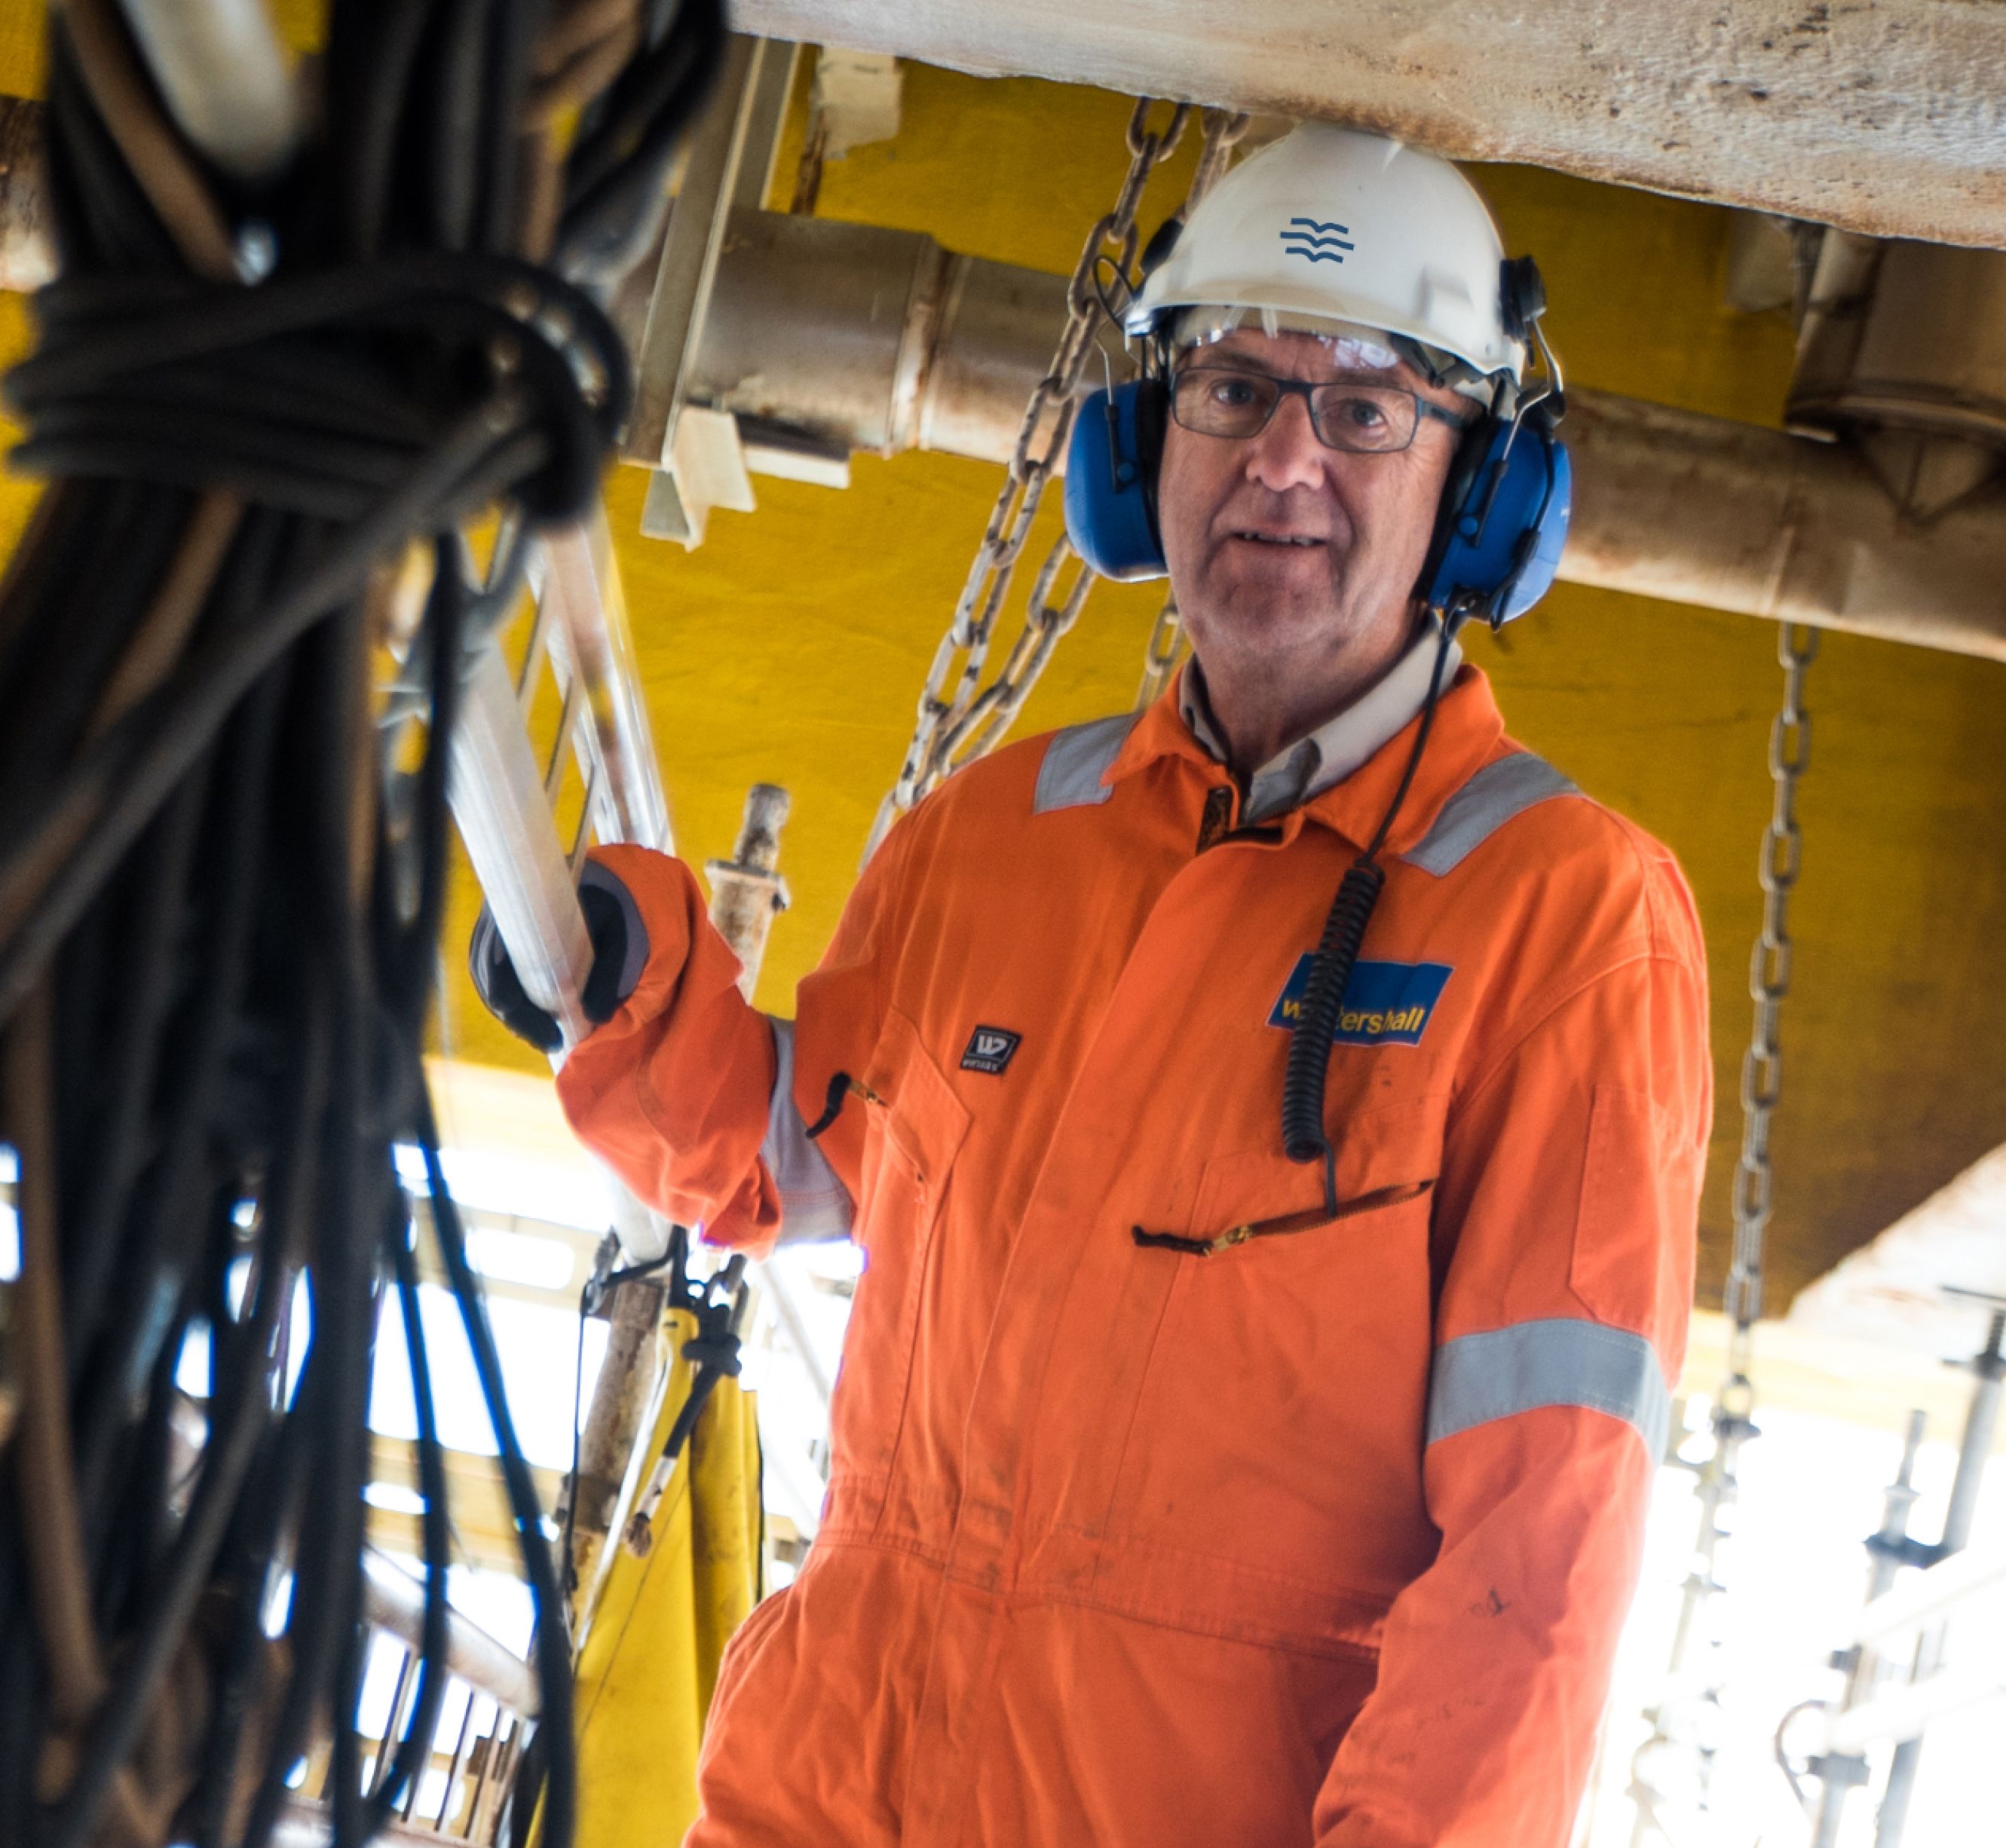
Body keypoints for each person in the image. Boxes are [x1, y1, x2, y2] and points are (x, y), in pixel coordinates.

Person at [476, 124, 1709, 1847]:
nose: (1283, 458)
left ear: (1477, 489)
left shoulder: (1561, 918)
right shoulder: (994, 834)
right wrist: (628, 984)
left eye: (1365, 408)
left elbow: (1539, 1558)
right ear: (1144, 444)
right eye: (1228, 388)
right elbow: (788, 1153)